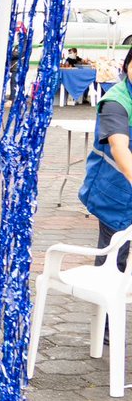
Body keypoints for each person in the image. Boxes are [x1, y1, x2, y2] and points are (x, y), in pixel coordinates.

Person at [79, 44, 132, 275]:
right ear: (127, 65)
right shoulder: (116, 102)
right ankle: (108, 310)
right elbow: (120, 149)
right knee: (113, 260)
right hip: (115, 191)